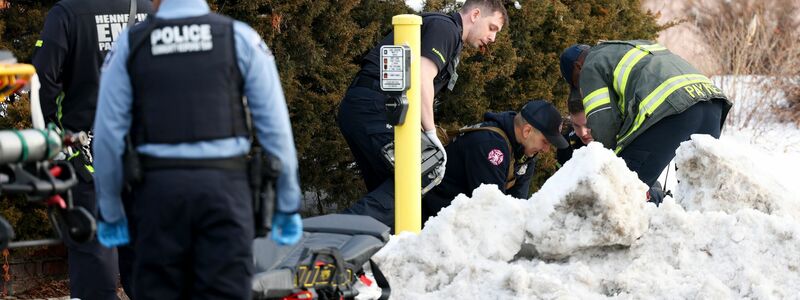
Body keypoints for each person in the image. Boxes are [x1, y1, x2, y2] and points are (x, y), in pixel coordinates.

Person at [92, 0, 302, 298]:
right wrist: (287, 203)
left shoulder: (130, 44)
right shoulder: (240, 38)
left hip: (157, 196)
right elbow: (277, 133)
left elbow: (107, 138)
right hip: (224, 193)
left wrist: (111, 210)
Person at [31, 1, 152, 298]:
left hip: (88, 162)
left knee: (94, 270)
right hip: (145, 160)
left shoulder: (67, 13)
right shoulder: (151, 8)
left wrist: (53, 139)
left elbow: (41, 81)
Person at [338, 0, 509, 194]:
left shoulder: (448, 33)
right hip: (376, 108)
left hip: (372, 107)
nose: (493, 38)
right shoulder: (445, 29)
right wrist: (430, 133)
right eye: (492, 28)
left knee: (388, 191)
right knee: (409, 184)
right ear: (475, 15)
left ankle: (373, 224)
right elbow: (421, 77)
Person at [347, 100, 568, 227]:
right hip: (416, 210)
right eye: (545, 141)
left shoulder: (524, 153)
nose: (547, 149)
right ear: (527, 130)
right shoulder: (491, 145)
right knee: (357, 231)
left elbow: (518, 205)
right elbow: (491, 207)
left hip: (434, 217)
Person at [559, 40, 732, 189]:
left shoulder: (589, 66)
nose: (582, 90)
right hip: (712, 103)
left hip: (673, 111)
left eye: (577, 83)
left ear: (578, 67)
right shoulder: (631, 46)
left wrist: (606, 165)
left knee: (623, 189)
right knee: (699, 193)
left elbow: (603, 124)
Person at [556, 99, 666, 205]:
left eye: (587, 125)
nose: (583, 133)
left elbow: (637, 185)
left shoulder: (619, 137)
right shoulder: (567, 144)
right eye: (576, 126)